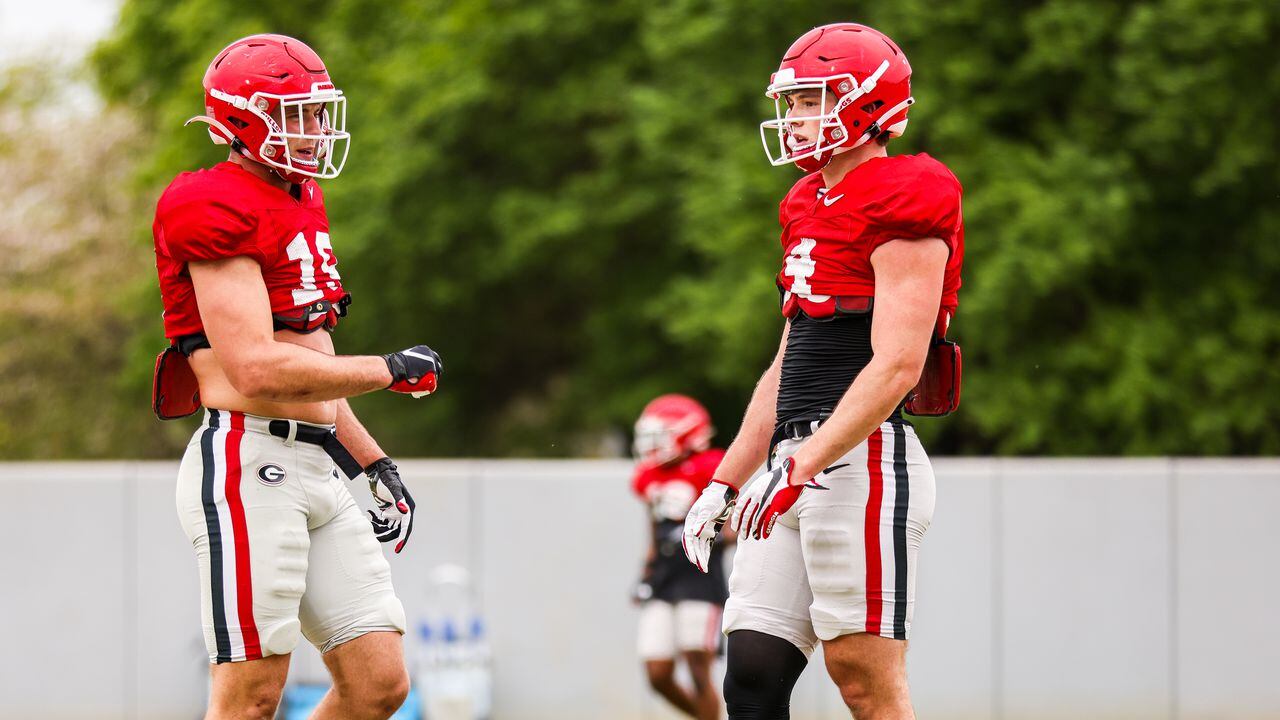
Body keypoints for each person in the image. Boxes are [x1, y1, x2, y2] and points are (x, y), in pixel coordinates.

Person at [150, 34, 443, 720]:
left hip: (316, 464)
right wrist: (389, 370)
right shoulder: (210, 201)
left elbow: (308, 356)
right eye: (295, 115)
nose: (313, 131)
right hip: (248, 462)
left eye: (316, 114)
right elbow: (255, 368)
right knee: (251, 698)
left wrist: (370, 461)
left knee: (379, 685)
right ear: (243, 118)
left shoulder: (299, 195)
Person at [681, 22, 966, 720]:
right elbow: (789, 360)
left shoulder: (911, 191)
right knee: (749, 671)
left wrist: (803, 463)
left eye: (815, 100)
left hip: (862, 462)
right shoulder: (806, 201)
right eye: (797, 101)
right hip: (793, 461)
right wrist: (726, 476)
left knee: (864, 681)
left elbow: (898, 361)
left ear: (871, 103)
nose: (798, 117)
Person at [631, 394, 732, 720]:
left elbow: (732, 529)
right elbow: (654, 529)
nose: (651, 445)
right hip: (663, 577)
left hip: (699, 577)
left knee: (697, 663)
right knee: (657, 672)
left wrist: (703, 536)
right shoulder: (650, 476)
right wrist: (645, 571)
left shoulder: (710, 466)